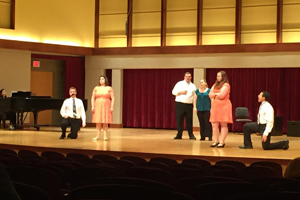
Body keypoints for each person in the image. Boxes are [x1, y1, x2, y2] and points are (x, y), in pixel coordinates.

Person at [209, 71, 232, 148]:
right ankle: (216, 141)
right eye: (217, 76)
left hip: (224, 106)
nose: (217, 77)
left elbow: (222, 95)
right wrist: (216, 95)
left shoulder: (226, 85)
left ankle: (222, 142)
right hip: (215, 106)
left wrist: (214, 95)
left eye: (219, 76)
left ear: (223, 77)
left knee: (223, 124)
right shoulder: (215, 84)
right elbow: (209, 94)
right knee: (214, 124)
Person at [172, 72, 197, 140]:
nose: (188, 78)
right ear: (184, 77)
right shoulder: (179, 84)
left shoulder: (193, 86)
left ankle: (191, 134)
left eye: (189, 76)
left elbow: (194, 96)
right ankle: (179, 134)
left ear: (191, 77)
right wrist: (181, 92)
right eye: (186, 76)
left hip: (189, 105)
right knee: (179, 120)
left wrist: (194, 105)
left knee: (189, 120)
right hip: (180, 104)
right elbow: (173, 92)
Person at [91, 75, 114, 141]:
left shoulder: (109, 88)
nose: (101, 80)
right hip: (98, 104)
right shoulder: (96, 88)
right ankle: (98, 135)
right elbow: (93, 97)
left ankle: (105, 136)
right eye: (100, 79)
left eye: (102, 79)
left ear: (105, 80)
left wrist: (112, 107)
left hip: (106, 105)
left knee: (105, 120)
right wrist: (92, 106)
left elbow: (113, 98)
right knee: (98, 120)